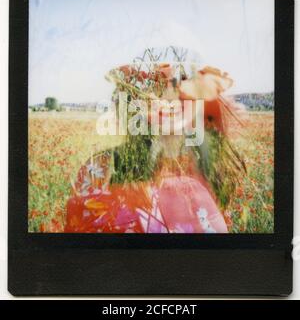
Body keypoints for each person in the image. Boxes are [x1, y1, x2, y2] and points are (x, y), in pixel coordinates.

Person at [65, 55, 246, 233]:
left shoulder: (212, 168)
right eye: (153, 83)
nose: (168, 95)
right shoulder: (99, 169)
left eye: (181, 80)